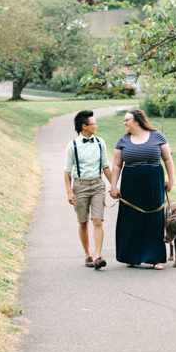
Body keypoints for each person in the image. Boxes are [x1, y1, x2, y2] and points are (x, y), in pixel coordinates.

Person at [109, 108, 175, 269]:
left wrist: (171, 179)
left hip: (154, 181)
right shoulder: (123, 140)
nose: (124, 123)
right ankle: (131, 256)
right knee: (131, 219)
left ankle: (156, 258)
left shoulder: (157, 136)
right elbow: (117, 165)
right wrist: (113, 185)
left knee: (154, 218)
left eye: (127, 120)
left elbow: (167, 159)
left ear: (137, 121)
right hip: (130, 182)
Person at [63, 110, 113, 270]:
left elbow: (105, 165)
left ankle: (98, 256)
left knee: (97, 221)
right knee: (83, 222)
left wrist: (114, 185)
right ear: (84, 126)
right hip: (80, 186)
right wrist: (69, 192)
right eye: (93, 123)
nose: (96, 126)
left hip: (98, 185)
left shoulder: (100, 143)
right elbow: (67, 171)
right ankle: (88, 255)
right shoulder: (73, 145)